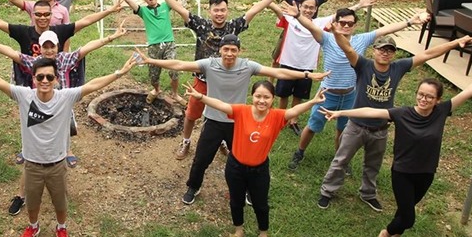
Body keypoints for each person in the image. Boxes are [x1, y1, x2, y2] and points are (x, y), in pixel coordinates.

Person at [0, 49, 138, 237]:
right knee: (32, 203)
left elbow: (92, 85)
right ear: (34, 79)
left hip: (57, 164)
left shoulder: (65, 97)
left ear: (56, 79)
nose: (45, 81)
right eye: (40, 77)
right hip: (32, 164)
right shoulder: (24, 96)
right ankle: (33, 226)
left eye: (49, 77)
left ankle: (61, 227)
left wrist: (119, 73)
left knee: (60, 203)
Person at [322, 61, 472, 237]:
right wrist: (341, 113)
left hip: (426, 172)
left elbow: (471, 90)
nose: (423, 99)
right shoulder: (402, 113)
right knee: (409, 217)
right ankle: (385, 233)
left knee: (405, 209)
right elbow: (370, 111)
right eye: (420, 94)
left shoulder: (442, 111)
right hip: (402, 172)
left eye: (429, 97)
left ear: (437, 100)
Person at [136, 33, 330, 205]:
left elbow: (278, 72)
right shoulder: (209, 64)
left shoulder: (247, 66)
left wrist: (306, 75)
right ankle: (193, 186)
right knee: (201, 159)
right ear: (220, 50)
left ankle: (246, 190)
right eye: (226, 49)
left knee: (244, 161)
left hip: (239, 123)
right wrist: (150, 60)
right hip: (213, 120)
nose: (229, 53)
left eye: (233, 50)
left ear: (239, 51)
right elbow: (179, 64)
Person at [0, 22, 128, 215]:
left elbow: (87, 48)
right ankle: (21, 195)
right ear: (40, 48)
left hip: (61, 109)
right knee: (31, 156)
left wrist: (111, 37)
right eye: (46, 47)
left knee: (59, 150)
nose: (49, 50)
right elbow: (11, 54)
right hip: (37, 109)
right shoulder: (34, 62)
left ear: (58, 47)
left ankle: (59, 187)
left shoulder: (65, 59)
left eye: (52, 46)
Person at [318, 32, 472, 211]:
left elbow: (428, 54)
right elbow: (347, 49)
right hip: (356, 126)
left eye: (389, 50)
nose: (385, 53)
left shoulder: (398, 68)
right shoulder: (363, 65)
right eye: (381, 49)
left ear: (394, 53)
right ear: (374, 50)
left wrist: (456, 42)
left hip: (380, 129)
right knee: (341, 160)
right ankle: (327, 191)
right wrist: (336, 32)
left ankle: (368, 194)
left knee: (373, 165)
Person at [186, 81, 326, 237]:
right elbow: (221, 105)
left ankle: (263, 234)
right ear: (252, 96)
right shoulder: (241, 111)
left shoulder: (277, 116)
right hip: (235, 167)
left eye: (266, 97)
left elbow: (295, 110)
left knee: (261, 204)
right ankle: (238, 231)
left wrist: (313, 101)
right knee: (236, 201)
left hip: (259, 169)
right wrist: (200, 96)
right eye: (258, 96)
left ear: (273, 99)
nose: (262, 100)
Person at [152, 0, 283, 160]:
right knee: (192, 114)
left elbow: (254, 10)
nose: (219, 14)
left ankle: (222, 140)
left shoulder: (233, 27)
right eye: (216, 10)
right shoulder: (201, 25)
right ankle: (186, 141)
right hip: (203, 81)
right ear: (210, 10)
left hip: (226, 83)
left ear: (227, 11)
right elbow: (179, 8)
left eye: (223, 10)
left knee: (226, 114)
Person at [286, 4, 428, 172]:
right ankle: (300, 152)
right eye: (342, 22)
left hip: (350, 95)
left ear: (355, 25)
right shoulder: (326, 38)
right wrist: (297, 16)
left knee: (343, 130)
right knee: (313, 126)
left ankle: (340, 160)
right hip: (327, 93)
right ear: (336, 23)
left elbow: (386, 29)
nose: (346, 26)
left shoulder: (362, 39)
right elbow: (311, 26)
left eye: (350, 23)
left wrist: (410, 22)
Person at [265, 0, 377, 127]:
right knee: (283, 94)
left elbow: (340, 16)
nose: (308, 10)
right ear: (299, 7)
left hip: (307, 65)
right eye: (305, 6)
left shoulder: (319, 23)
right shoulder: (291, 18)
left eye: (312, 7)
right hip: (288, 62)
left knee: (299, 95)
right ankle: (281, 118)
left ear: (316, 9)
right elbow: (276, 9)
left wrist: (359, 5)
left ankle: (293, 120)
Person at [0, 0, 121, 87]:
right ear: (33, 15)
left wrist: (109, 14)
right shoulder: (26, 38)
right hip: (31, 81)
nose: (42, 18)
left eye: (46, 14)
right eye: (38, 14)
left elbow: (86, 23)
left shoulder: (62, 47)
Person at [246, 0, 369, 66]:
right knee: (277, 58)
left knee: (305, 56)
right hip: (291, 29)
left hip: (311, 32)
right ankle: (272, 83)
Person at [111, 0, 197, 104]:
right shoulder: (143, 11)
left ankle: (175, 94)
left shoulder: (166, 6)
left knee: (174, 71)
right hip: (153, 47)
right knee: (153, 75)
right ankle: (156, 90)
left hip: (169, 44)